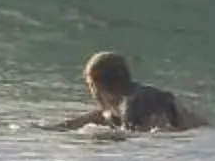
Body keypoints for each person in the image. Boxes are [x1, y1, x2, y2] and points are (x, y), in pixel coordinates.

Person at [44, 49, 203, 133]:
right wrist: (50, 129)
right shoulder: (140, 95)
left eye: (89, 85)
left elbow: (147, 138)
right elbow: (98, 117)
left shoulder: (132, 104)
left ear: (95, 85)